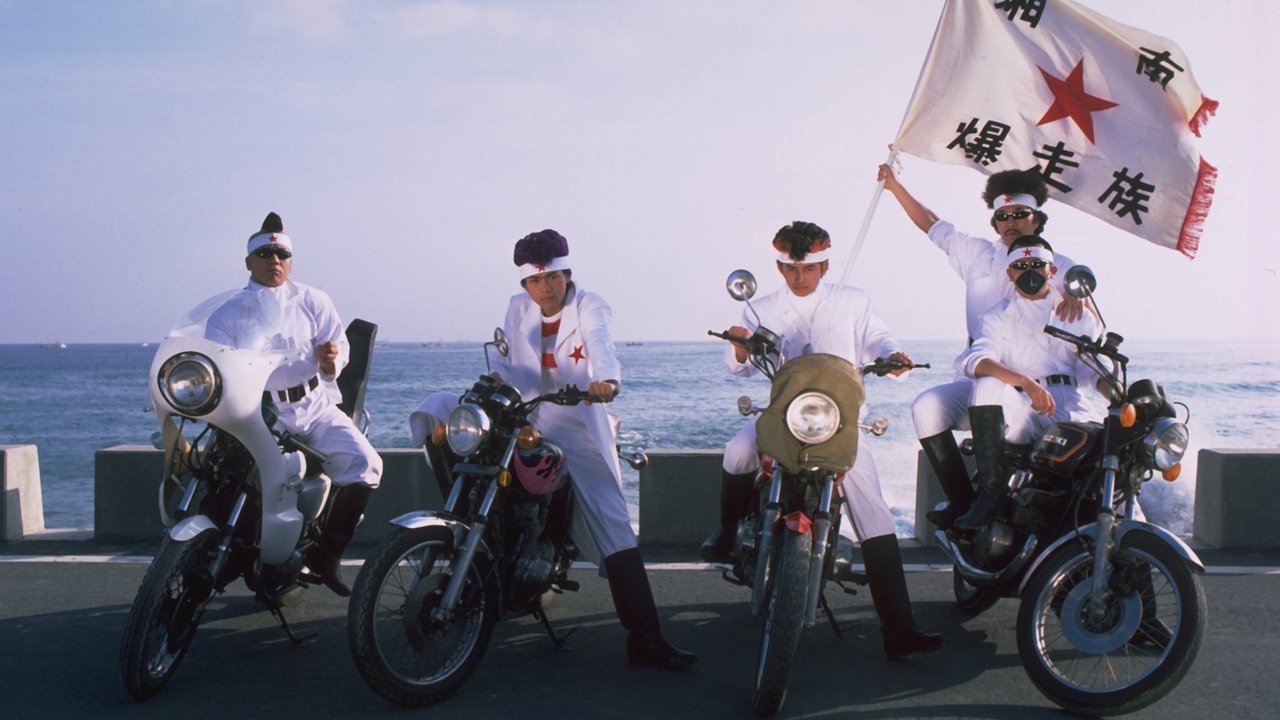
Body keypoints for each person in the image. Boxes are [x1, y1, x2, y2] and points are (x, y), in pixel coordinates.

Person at [700, 220, 943, 661]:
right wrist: (739, 346)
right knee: (737, 452)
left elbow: (877, 340)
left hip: (840, 421)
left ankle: (899, 629)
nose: (800, 277)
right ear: (779, 267)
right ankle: (726, 532)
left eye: (808, 269)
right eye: (791, 269)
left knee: (874, 512)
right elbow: (740, 365)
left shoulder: (853, 301)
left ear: (825, 264)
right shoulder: (762, 309)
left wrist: (892, 357)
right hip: (782, 417)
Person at [475, 229, 696, 669]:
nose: (546, 288)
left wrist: (607, 381)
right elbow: (504, 358)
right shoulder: (518, 308)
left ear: (567, 273)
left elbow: (600, 344)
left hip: (573, 420)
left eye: (553, 278)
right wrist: (497, 379)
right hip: (526, 417)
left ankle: (645, 638)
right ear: (525, 285)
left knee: (614, 519)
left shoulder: (589, 305)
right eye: (536, 282)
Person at [877, 162, 1089, 528]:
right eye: (1003, 216)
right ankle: (964, 502)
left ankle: (994, 499)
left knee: (992, 386)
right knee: (926, 407)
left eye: (1020, 214)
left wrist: (1080, 293)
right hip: (985, 376)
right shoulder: (976, 254)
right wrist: (894, 186)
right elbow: (931, 223)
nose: (1011, 222)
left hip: (1038, 389)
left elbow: (1081, 279)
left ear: (1036, 219)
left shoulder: (1054, 261)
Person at [207, 212, 382, 597]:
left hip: (314, 405)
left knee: (367, 464)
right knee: (233, 475)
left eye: (282, 255)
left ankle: (327, 554)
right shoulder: (228, 313)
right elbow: (218, 365)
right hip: (260, 411)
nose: (275, 261)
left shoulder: (313, 300)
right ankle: (233, 552)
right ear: (249, 262)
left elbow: (340, 351)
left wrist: (331, 360)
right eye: (266, 254)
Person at [953, 235, 1108, 528]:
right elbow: (976, 361)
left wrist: (1117, 394)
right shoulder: (996, 316)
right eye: (1020, 266)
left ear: (1052, 270)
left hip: (1070, 404)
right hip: (1024, 407)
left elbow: (1095, 370)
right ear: (1009, 274)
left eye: (1037, 264)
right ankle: (991, 493)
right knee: (987, 384)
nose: (1029, 272)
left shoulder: (1079, 316)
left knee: (1107, 454)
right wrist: (1025, 382)